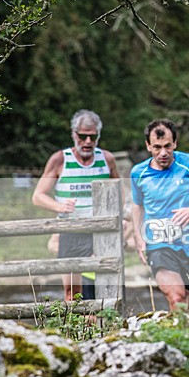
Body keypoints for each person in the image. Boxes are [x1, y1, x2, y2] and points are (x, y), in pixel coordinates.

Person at [131, 119, 189, 313]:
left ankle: (181, 340)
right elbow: (137, 206)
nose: (163, 153)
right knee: (177, 297)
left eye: (167, 146)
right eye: (157, 147)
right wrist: (138, 237)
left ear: (175, 143)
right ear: (148, 146)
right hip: (159, 244)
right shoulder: (138, 173)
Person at [32, 109, 120, 300]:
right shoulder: (60, 160)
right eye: (82, 136)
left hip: (99, 231)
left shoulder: (107, 159)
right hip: (71, 230)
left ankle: (104, 327)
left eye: (92, 137)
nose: (87, 142)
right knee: (72, 291)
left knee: (101, 286)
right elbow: (38, 196)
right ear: (74, 134)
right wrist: (60, 207)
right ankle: (74, 329)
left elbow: (118, 193)